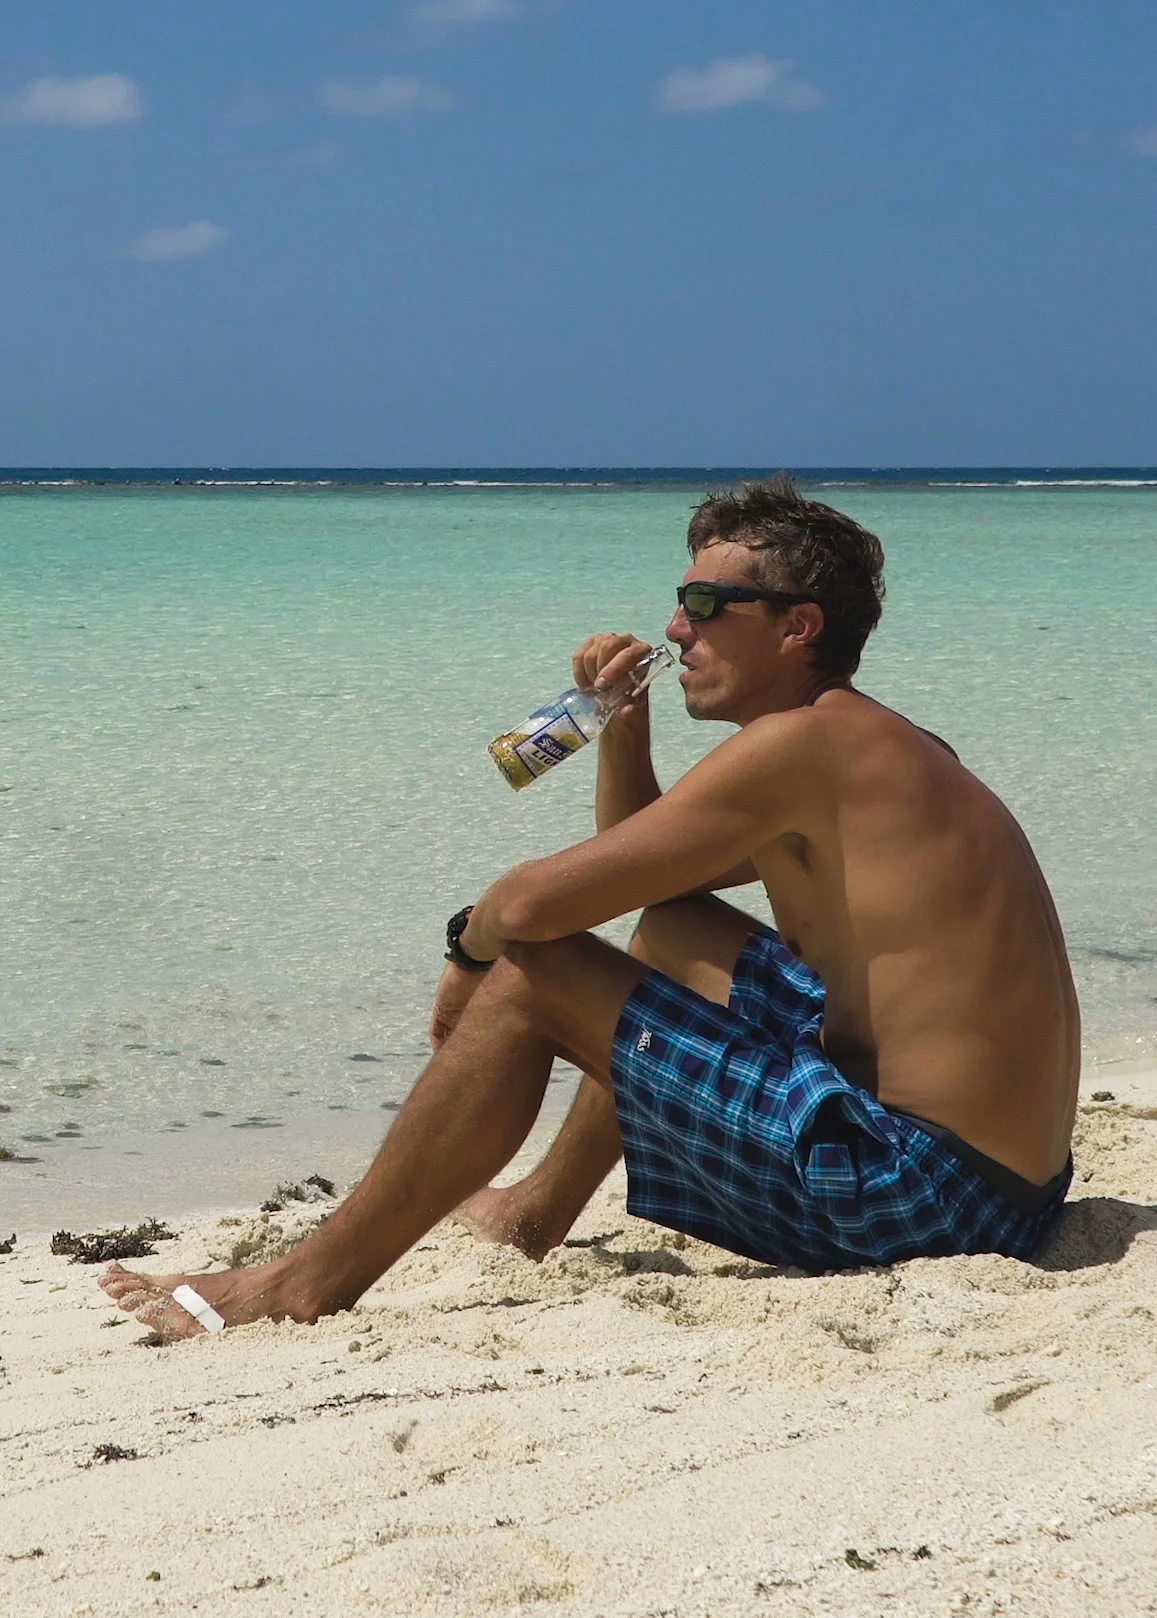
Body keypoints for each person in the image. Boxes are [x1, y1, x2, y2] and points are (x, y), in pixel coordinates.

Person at [101, 476, 1082, 1341]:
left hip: (921, 1199)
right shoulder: (877, 748)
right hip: (1015, 1192)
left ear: (797, 627)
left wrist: (471, 956)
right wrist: (619, 732)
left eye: (707, 603)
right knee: (677, 937)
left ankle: (300, 1285)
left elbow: (531, 903)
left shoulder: (800, 751)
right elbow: (652, 886)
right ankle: (531, 1214)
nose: (676, 629)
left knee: (536, 976)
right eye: (680, 601)